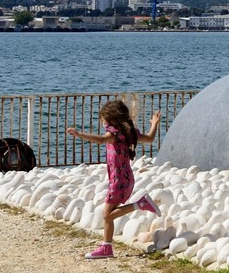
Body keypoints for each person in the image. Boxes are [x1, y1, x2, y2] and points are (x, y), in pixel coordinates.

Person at [66, 100, 162, 259]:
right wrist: (154, 123)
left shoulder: (113, 135)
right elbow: (151, 139)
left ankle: (141, 204)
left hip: (118, 181)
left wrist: (79, 134)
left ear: (110, 119)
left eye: (102, 118)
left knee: (107, 215)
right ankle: (107, 247)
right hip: (125, 178)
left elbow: (101, 140)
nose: (101, 121)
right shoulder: (131, 133)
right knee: (108, 215)